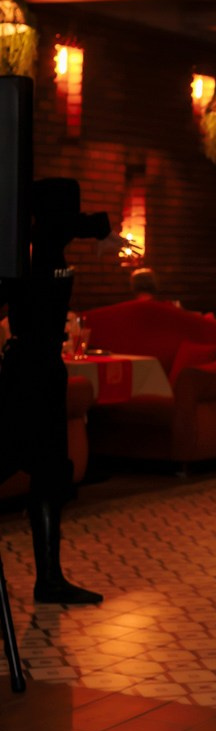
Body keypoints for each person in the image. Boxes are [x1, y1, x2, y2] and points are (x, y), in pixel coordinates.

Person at [0, 178, 117, 605]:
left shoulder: (43, 249)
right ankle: (49, 580)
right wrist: (103, 229)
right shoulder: (36, 246)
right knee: (19, 457)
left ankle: (49, 580)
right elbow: (63, 226)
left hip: (45, 369)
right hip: (28, 371)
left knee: (48, 472)